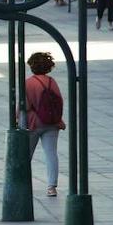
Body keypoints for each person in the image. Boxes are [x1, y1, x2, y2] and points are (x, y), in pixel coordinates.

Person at [23, 51, 66, 197]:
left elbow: (25, 106)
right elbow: (59, 101)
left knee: (25, 155)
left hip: (34, 124)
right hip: (52, 123)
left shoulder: (28, 83)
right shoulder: (51, 82)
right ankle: (51, 187)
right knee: (51, 153)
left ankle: (23, 183)